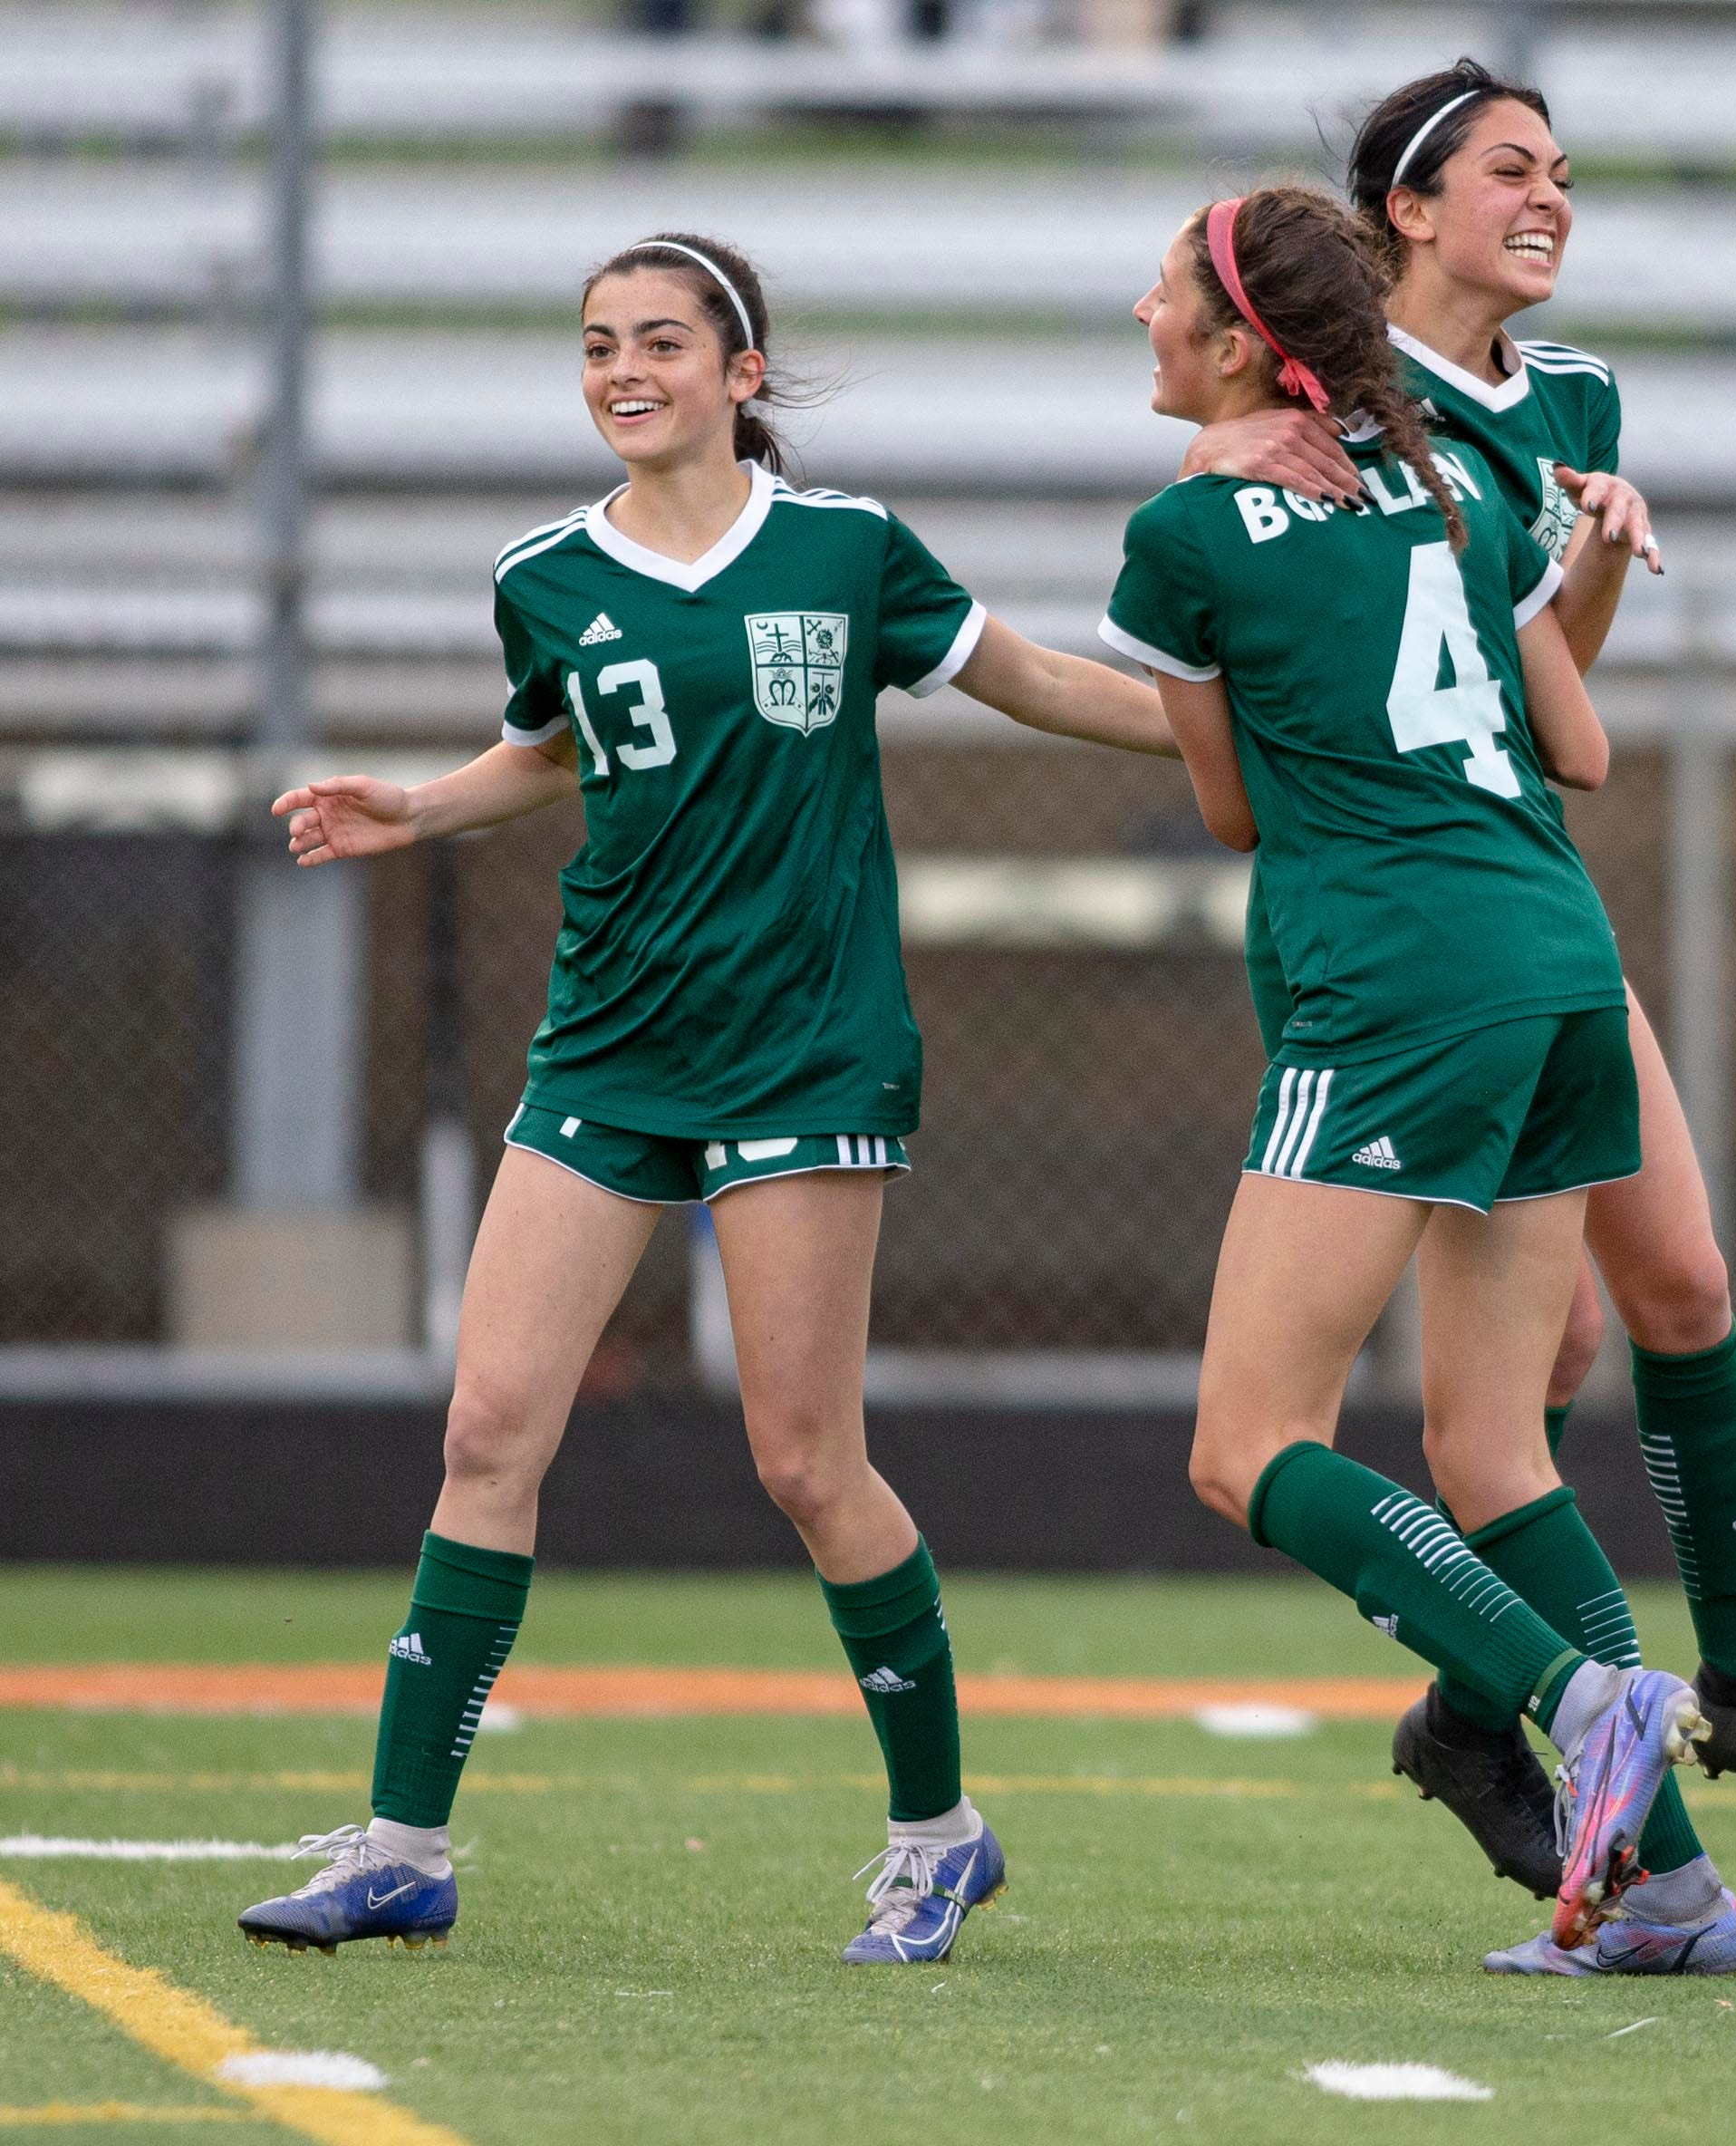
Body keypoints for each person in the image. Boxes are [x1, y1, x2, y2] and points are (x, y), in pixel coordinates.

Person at [236, 231, 1177, 1967]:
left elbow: (1026, 676)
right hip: (608, 1040)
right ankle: (400, 1848)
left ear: (742, 374)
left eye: (659, 340)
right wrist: (418, 808)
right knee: (487, 1432)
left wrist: (1225, 745)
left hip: (805, 1044)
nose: (619, 370)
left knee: (807, 1463)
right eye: (596, 342)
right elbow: (567, 743)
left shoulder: (845, 548)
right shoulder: (541, 575)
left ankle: (937, 1836)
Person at [1179, 61, 1736, 1935]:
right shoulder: (1330, 423)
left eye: (1562, 172)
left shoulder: (1544, 404)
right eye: (1513, 169)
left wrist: (1579, 567)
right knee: (1514, 1402)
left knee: (1644, 1309)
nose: (1552, 198)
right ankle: (1581, 1759)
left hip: (1451, 928)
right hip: (1494, 922)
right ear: (1402, 212)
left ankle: (1655, 1702)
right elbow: (1480, 699)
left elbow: (1516, 698)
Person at [1102, 184, 1731, 1967]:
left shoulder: (1183, 531)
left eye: (1162, 291)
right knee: (1490, 1441)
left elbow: (1230, 810)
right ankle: (1670, 1887)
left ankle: (1573, 1699)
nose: (1139, 313)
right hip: (1557, 959)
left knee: (1246, 1446)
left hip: (1393, 980)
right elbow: (1580, 743)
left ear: (1235, 342)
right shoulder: (1455, 480)